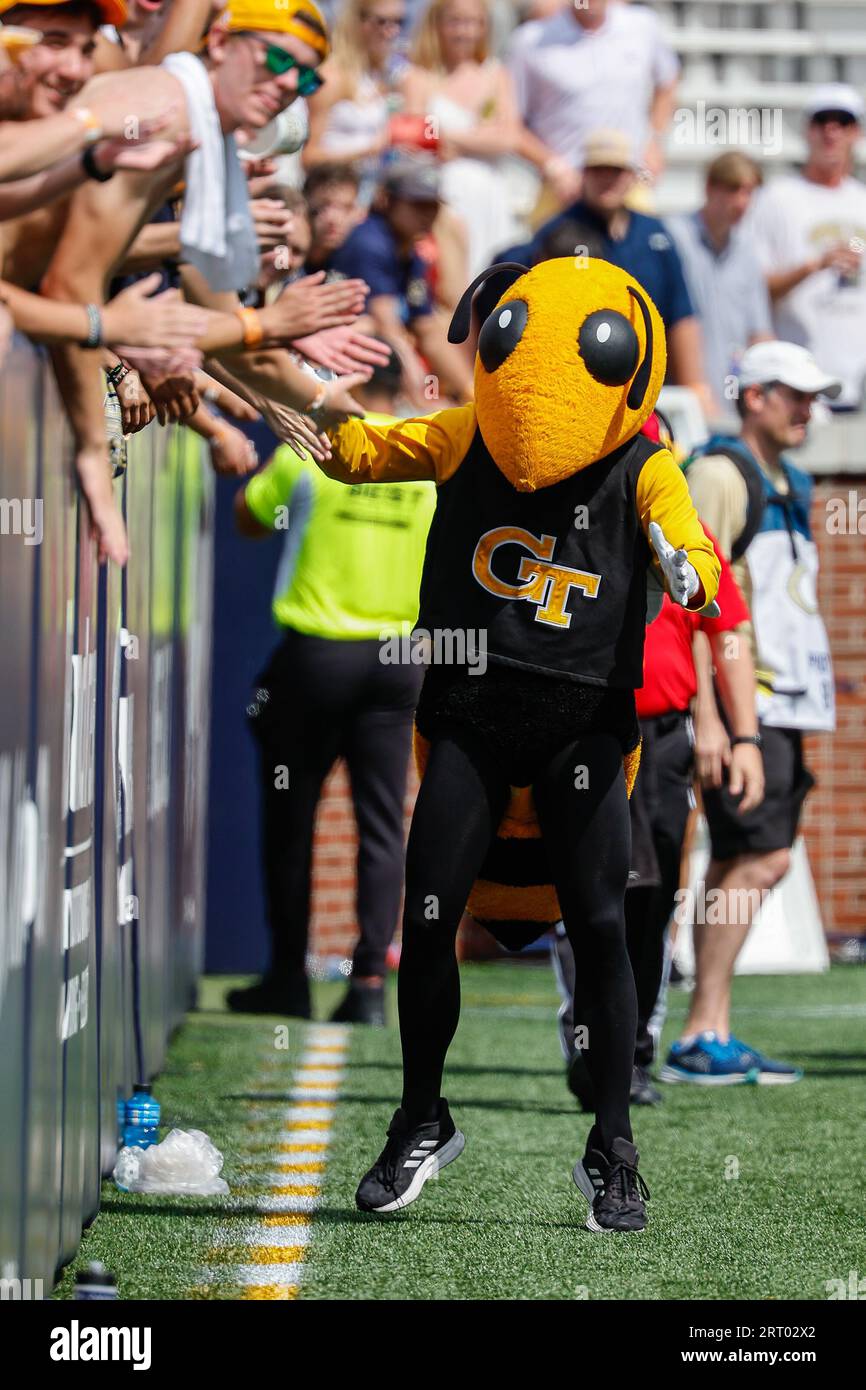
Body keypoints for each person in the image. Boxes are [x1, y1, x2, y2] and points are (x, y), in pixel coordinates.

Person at [312, 255, 719, 1233]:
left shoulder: (643, 462)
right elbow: (353, 450)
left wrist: (688, 567)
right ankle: (420, 1113)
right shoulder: (464, 436)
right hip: (470, 707)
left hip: (584, 720)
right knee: (428, 908)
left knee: (600, 926)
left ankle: (612, 1141)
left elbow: (691, 548)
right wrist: (268, 366)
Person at [37, 0, 380, 567]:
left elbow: (214, 312)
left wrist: (301, 389)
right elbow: (69, 286)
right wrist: (95, 456)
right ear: (218, 42)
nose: (290, 82)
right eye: (275, 58)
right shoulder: (166, 112)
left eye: (308, 75)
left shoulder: (206, 131)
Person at [554, 415, 761, 1111]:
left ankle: (634, 1047)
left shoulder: (684, 533)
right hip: (588, 731)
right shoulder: (572, 526)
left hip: (664, 740)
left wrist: (743, 735)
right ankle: (593, 1044)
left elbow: (724, 627)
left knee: (652, 898)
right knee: (596, 896)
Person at [230, 344, 436, 1025]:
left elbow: (252, 516)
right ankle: (371, 983)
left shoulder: (311, 445)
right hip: (398, 657)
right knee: (382, 823)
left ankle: (288, 977)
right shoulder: (421, 462)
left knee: (293, 817)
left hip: (318, 655)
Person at [664, 340, 839, 1085]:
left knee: (741, 859)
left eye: (811, 395)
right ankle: (701, 1028)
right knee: (759, 858)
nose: (808, 408)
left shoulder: (786, 479)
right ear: (754, 396)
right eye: (792, 393)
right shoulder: (719, 472)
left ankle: (710, 1029)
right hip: (747, 708)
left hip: (778, 706)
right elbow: (691, 600)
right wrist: (710, 717)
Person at [528, 130, 713, 415]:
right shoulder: (556, 234)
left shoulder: (656, 235)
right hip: (581, 383)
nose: (607, 178)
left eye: (616, 170)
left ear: (632, 176)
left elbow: (680, 314)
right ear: (584, 173)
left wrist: (695, 387)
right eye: (598, 169)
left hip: (648, 386)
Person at [746, 83, 866, 410]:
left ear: (856, 132)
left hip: (857, 379)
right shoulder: (778, 198)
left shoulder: (862, 200)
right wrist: (814, 265)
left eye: (842, 121)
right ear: (807, 130)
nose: (831, 130)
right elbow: (754, 289)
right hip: (796, 383)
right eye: (822, 120)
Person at [329, 156, 474, 406]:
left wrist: (471, 394)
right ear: (386, 199)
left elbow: (427, 329)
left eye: (433, 205)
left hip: (380, 364)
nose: (428, 215)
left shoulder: (410, 251)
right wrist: (421, 403)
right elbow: (387, 327)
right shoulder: (369, 243)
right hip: (339, 369)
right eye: (417, 204)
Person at [507, 0, 679, 204]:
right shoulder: (530, 40)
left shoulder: (643, 25)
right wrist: (553, 166)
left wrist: (654, 142)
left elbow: (668, 82)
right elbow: (510, 122)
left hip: (629, 179)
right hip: (565, 188)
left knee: (646, 234)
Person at [400, 0, 524, 277]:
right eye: (455, 21)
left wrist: (449, 137)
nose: (464, 32)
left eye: (473, 23)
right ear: (437, 25)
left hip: (489, 192)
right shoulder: (418, 76)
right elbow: (414, 134)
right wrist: (481, 136)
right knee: (449, 274)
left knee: (492, 276)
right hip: (442, 191)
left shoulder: (495, 74)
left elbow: (509, 138)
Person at [666, 151, 773, 412]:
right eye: (734, 189)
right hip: (679, 402)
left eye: (749, 192)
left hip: (732, 401)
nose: (742, 201)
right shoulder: (672, 237)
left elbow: (760, 333)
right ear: (709, 187)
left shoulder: (747, 250)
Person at [302, 0, 405, 207]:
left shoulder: (381, 77)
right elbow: (308, 158)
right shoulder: (331, 77)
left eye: (398, 22)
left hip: (367, 201)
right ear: (357, 22)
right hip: (330, 203)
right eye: (381, 22)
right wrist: (370, 148)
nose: (391, 31)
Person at [304, 161, 363, 272]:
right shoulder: (282, 250)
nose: (333, 219)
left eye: (346, 207)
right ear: (305, 204)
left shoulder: (362, 256)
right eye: (323, 205)